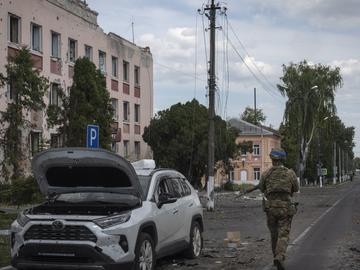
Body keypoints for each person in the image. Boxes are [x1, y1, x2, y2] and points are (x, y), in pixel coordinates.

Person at [258, 148, 299, 270]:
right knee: (283, 234)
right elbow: (296, 189)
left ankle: (275, 257)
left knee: (274, 234)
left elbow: (261, 188)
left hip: (270, 208)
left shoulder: (265, 174)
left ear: (272, 159)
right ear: (283, 159)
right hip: (285, 209)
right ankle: (279, 256)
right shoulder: (290, 173)